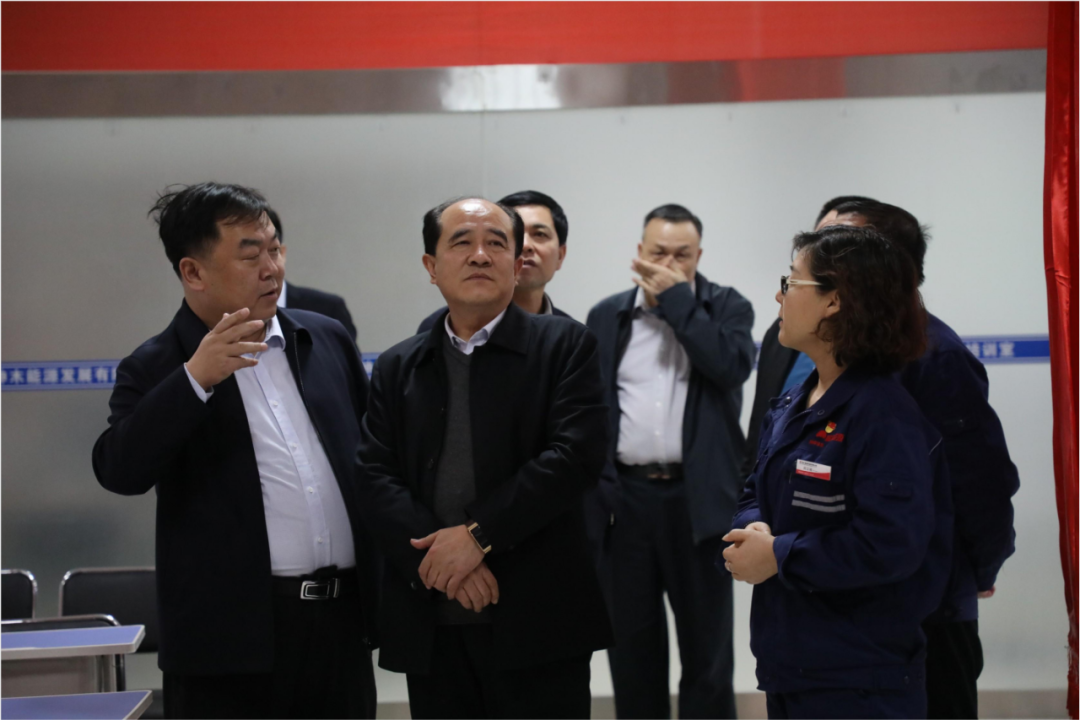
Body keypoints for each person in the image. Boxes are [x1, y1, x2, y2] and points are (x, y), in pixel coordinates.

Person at [92, 183, 379, 719]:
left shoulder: (325, 338)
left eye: (275, 249)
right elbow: (119, 469)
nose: (272, 269)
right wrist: (195, 379)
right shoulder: (156, 365)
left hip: (340, 628)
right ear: (193, 272)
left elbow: (371, 459)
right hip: (230, 645)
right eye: (251, 255)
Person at [357, 197, 612, 719]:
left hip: (540, 618)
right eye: (462, 242)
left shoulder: (566, 345)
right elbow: (375, 474)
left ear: (517, 265)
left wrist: (477, 536)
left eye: (496, 243)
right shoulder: (400, 365)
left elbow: (573, 458)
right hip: (432, 618)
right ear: (431, 266)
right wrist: (440, 564)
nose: (479, 255)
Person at [724, 224, 953, 719]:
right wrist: (756, 526)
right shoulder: (796, 400)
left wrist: (779, 555)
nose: (779, 295)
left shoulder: (884, 416)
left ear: (834, 301)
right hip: (793, 663)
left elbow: (889, 544)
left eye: (791, 282)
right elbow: (756, 488)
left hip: (859, 677)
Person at [814, 196, 1019, 719]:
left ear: (884, 266)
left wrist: (977, 570)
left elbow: (982, 482)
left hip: (929, 605)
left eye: (836, 250)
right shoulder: (827, 350)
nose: (814, 266)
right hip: (848, 600)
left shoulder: (934, 355)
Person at [586, 204, 755, 719]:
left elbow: (728, 367)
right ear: (638, 253)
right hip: (627, 503)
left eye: (682, 255)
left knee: (708, 656)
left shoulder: (728, 307)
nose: (668, 265)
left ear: (699, 256)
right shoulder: (607, 315)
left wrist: (679, 301)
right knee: (632, 653)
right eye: (658, 253)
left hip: (699, 504)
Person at [417, 190, 572, 332]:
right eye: (496, 242)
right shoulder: (440, 329)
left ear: (560, 255)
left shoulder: (571, 336)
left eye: (539, 234)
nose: (525, 246)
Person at [266, 208, 359, 342]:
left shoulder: (328, 310)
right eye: (251, 255)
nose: (267, 267)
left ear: (283, 253)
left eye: (273, 250)